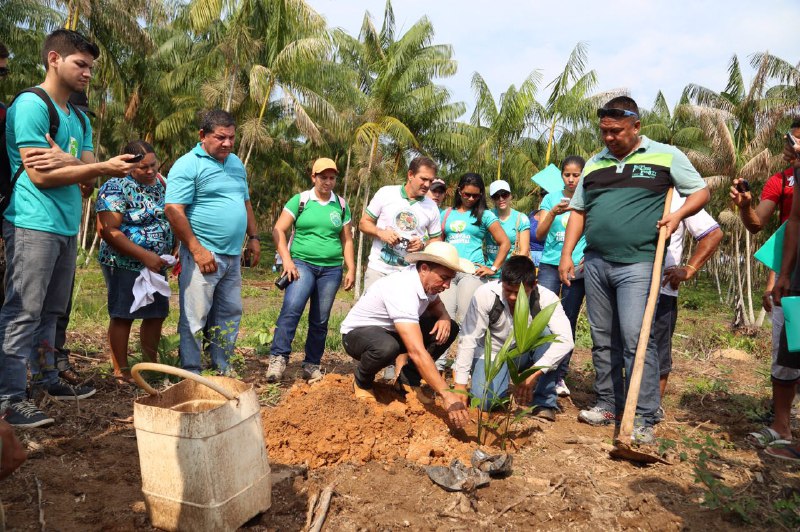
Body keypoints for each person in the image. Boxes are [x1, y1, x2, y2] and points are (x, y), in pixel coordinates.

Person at [0, 30, 138, 427]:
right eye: (81, 64)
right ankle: (9, 397)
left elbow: (86, 181)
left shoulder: (77, 117)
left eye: (91, 67)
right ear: (54, 59)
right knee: (22, 309)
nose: (88, 74)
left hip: (64, 225)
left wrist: (71, 161)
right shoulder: (32, 104)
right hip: (31, 221)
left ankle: (46, 378)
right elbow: (41, 176)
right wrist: (94, 166)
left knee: (52, 311)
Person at [558, 96, 709, 444]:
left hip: (640, 263)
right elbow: (578, 212)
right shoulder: (595, 164)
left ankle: (644, 415)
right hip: (596, 261)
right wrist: (567, 255)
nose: (609, 138)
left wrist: (678, 216)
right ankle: (609, 402)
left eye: (616, 131)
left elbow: (700, 191)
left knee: (636, 338)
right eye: (604, 132)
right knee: (602, 338)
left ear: (636, 126)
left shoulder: (665, 155)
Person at [165, 109, 260, 375]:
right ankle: (192, 372)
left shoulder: (235, 163)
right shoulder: (188, 164)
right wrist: (196, 249)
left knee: (229, 313)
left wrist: (253, 237)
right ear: (202, 136)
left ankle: (222, 366)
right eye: (221, 138)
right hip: (203, 254)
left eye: (231, 137)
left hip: (231, 256)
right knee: (195, 316)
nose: (228, 143)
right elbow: (173, 209)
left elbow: (245, 201)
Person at [339, 241, 470, 429]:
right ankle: (362, 381)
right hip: (358, 335)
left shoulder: (427, 283)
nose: (447, 285)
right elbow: (416, 351)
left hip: (390, 333)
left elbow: (435, 304)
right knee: (386, 348)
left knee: (450, 328)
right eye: (444, 278)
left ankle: (408, 382)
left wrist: (444, 316)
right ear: (424, 268)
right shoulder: (403, 288)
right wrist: (446, 394)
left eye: (451, 279)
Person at [730, 122, 798, 448]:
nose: (792, 146)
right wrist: (745, 206)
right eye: (791, 140)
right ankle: (782, 427)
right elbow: (759, 224)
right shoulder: (781, 180)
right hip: (791, 274)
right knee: (787, 350)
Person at [266, 158, 355, 383]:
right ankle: (278, 359)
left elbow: (347, 239)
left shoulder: (341, 205)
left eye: (332, 178)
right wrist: (287, 261)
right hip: (301, 264)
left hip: (331, 269)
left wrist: (351, 268)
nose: (327, 182)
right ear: (313, 177)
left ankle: (311, 364)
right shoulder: (301, 200)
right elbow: (279, 229)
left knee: (320, 319)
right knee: (292, 309)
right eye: (322, 177)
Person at [453, 255, 574, 421]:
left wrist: (534, 373)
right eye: (507, 290)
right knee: (485, 402)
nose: (511, 297)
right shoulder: (485, 294)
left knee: (548, 336)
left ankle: (544, 402)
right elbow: (468, 338)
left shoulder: (546, 298)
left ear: (534, 285)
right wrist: (460, 386)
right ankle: (500, 387)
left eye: (518, 293)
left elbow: (566, 341)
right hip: (494, 353)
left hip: (524, 353)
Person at [96, 140, 175, 384]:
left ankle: (149, 366)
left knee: (156, 312)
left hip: (157, 262)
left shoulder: (161, 183)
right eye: (143, 168)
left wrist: (175, 247)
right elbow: (108, 230)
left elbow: (171, 216)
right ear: (128, 166)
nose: (150, 171)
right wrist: (144, 256)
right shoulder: (115, 186)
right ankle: (121, 370)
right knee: (123, 314)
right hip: (124, 261)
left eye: (153, 164)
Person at [649, 195, 722, 418]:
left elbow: (713, 234)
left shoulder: (678, 199)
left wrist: (689, 268)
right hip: (624, 285)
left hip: (661, 288)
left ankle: (653, 406)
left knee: (658, 345)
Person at [535, 156, 588, 398]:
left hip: (576, 267)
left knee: (567, 319)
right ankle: (537, 370)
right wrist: (552, 214)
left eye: (576, 174)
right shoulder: (551, 198)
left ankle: (559, 375)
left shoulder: (589, 196)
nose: (571, 178)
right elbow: (539, 233)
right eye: (567, 174)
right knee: (542, 316)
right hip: (549, 264)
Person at [765, 136, 800, 461]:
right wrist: (783, 275)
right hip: (796, 282)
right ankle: (785, 429)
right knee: (794, 351)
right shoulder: (789, 177)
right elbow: (793, 223)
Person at [359, 156, 443, 291]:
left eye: (431, 181)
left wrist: (422, 244)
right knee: (372, 312)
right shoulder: (386, 193)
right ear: (410, 174)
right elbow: (363, 223)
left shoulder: (432, 207)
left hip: (409, 275)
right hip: (378, 270)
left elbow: (437, 240)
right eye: (423, 179)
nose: (427, 185)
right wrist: (381, 233)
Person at [440, 173, 510, 323]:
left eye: (476, 196)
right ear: (459, 191)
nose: (471, 199)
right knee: (444, 318)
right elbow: (438, 242)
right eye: (467, 194)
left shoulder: (485, 215)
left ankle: (468, 347)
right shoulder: (446, 214)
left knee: (465, 319)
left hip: (471, 273)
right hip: (447, 272)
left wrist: (493, 268)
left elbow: (505, 242)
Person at [485, 179, 530, 279]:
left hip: (511, 273)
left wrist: (513, 272)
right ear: (492, 199)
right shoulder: (487, 215)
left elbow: (524, 251)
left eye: (504, 194)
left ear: (510, 195)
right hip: (489, 272)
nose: (501, 199)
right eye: (496, 196)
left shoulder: (521, 218)